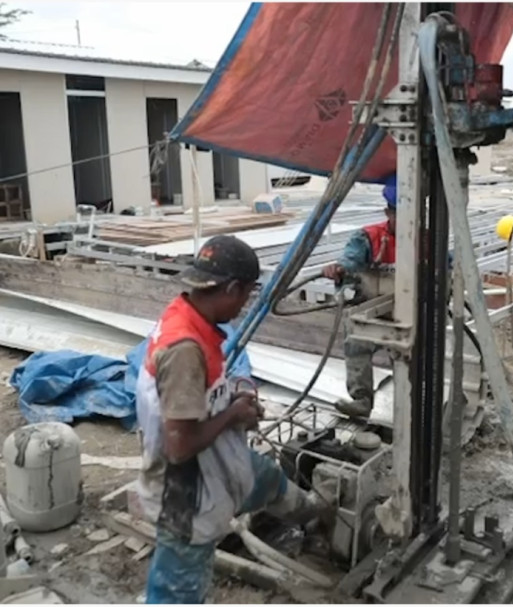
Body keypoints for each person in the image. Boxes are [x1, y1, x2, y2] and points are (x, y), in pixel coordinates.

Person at [136, 234, 325, 604]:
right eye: (247, 295)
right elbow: (180, 445)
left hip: (219, 463)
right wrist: (234, 414)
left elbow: (199, 396)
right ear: (233, 289)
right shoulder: (184, 350)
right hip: (186, 494)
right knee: (179, 587)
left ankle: (318, 516)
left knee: (269, 478)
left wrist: (233, 400)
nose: (244, 306)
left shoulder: (187, 315)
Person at [323, 175, 398, 418]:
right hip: (374, 310)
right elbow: (350, 260)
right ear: (388, 212)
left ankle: (413, 401)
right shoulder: (368, 237)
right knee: (356, 340)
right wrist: (340, 269)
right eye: (400, 213)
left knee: (413, 359)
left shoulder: (429, 239)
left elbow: (447, 268)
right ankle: (362, 399)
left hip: (412, 312)